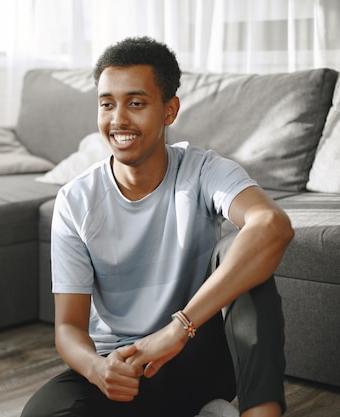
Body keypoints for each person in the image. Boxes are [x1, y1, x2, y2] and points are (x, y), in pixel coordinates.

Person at [21, 37, 294, 417]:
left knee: (245, 253)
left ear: (169, 110)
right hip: (125, 366)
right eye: (106, 104)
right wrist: (99, 370)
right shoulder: (75, 200)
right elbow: (68, 327)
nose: (118, 120)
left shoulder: (204, 170)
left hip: (200, 353)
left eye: (136, 103)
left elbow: (272, 225)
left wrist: (177, 330)